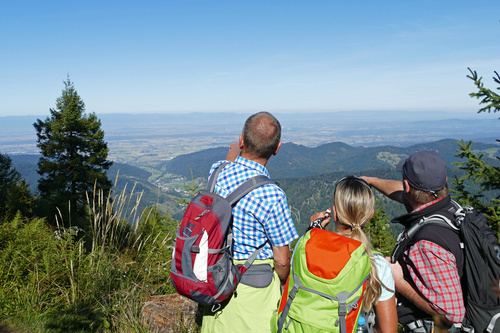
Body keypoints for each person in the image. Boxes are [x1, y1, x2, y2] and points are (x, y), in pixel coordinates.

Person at [201, 112, 299, 333]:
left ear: (242, 139)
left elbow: (229, 160)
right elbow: (282, 260)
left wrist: (235, 148)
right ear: (277, 148)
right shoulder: (272, 195)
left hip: (214, 274)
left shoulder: (217, 171)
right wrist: (283, 283)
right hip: (253, 287)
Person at [362, 151, 465, 332]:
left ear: (407, 186)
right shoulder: (447, 208)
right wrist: (371, 181)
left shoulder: (426, 243)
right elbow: (403, 194)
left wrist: (398, 281)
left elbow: (453, 315)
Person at [310, 176, 398, 333]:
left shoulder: (307, 250)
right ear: (370, 215)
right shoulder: (376, 264)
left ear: (335, 213)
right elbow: (389, 330)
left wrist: (313, 231)